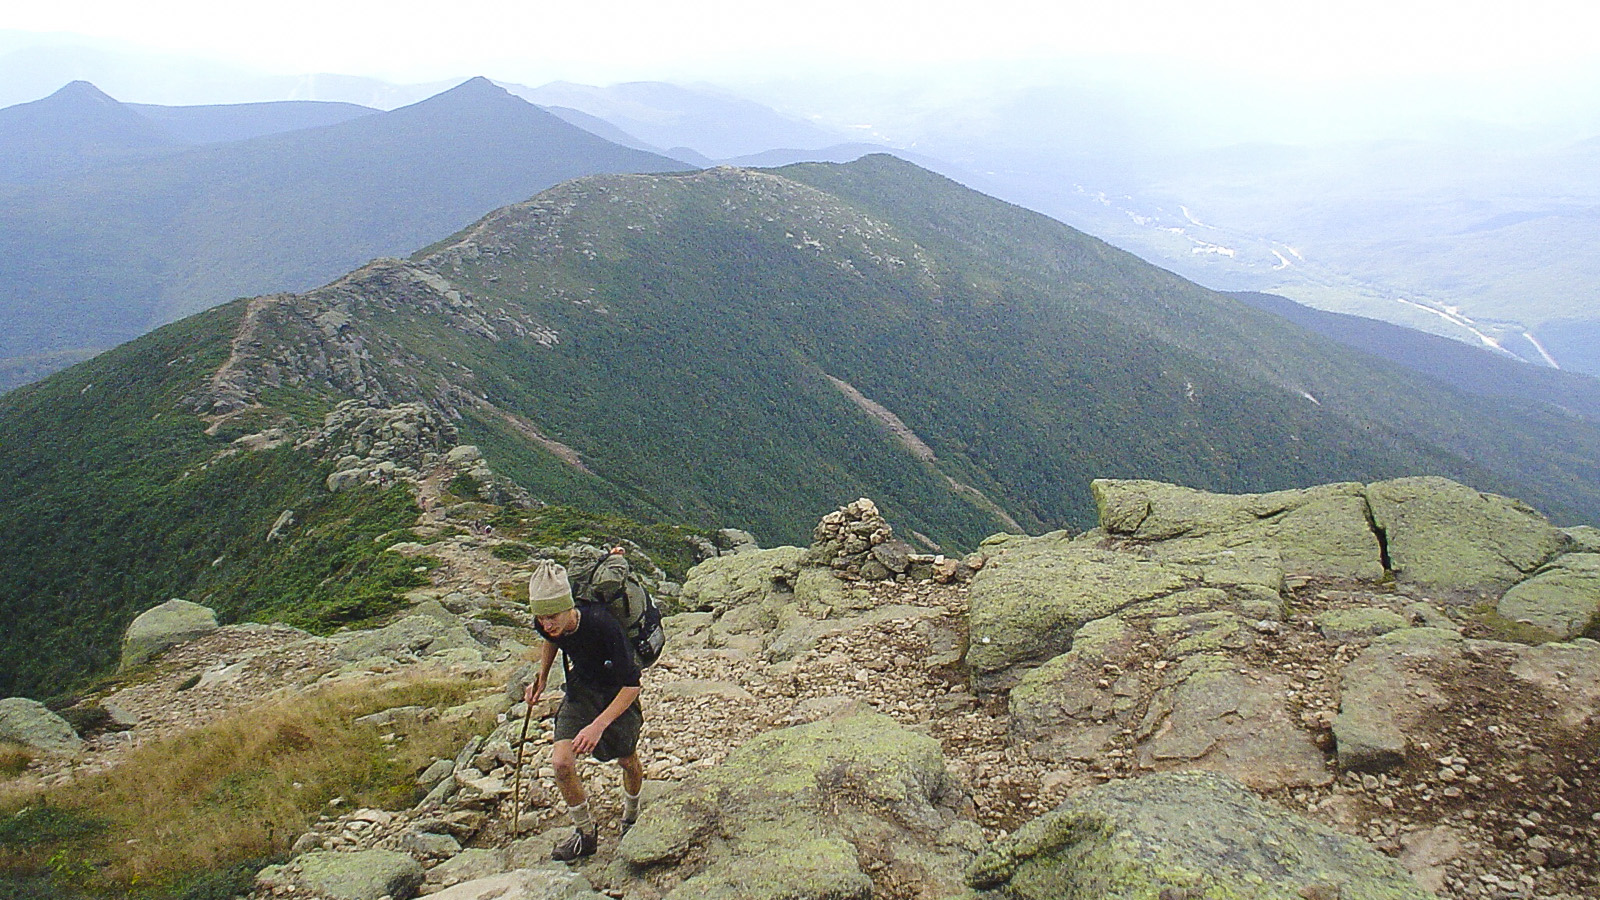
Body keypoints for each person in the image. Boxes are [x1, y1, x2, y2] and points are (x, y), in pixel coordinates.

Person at [524, 559, 645, 861]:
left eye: (552, 616)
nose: (546, 624)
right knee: (562, 763)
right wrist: (541, 677)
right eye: (540, 618)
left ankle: (631, 817)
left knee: (627, 760)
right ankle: (585, 834)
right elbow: (552, 639)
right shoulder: (548, 623)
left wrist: (598, 725)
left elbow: (632, 686)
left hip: (615, 693)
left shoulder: (603, 625)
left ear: (569, 608)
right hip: (580, 691)